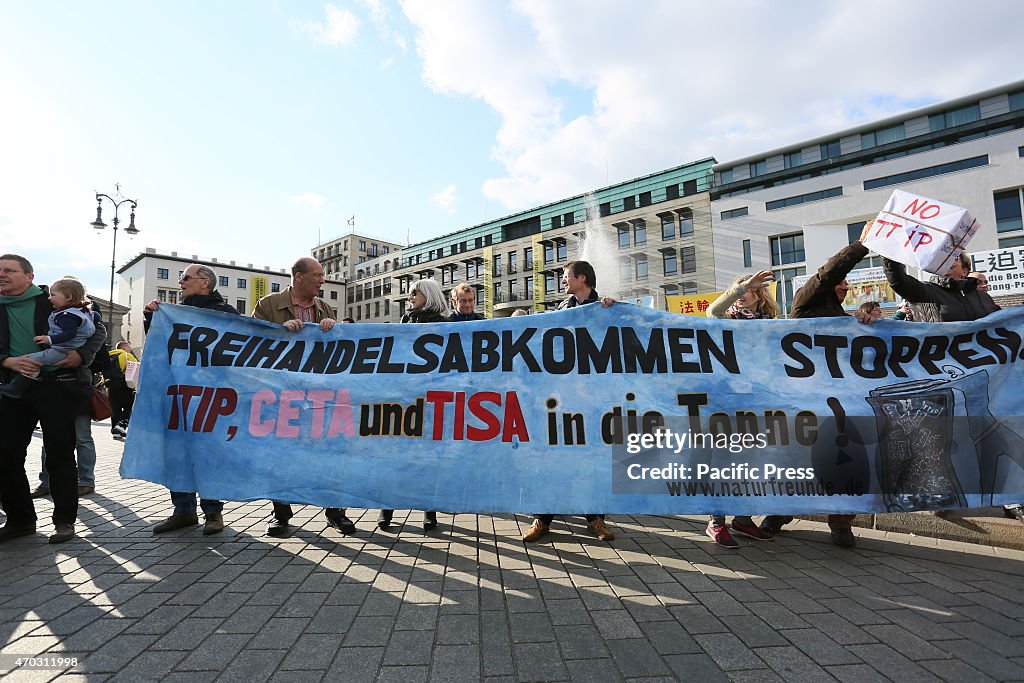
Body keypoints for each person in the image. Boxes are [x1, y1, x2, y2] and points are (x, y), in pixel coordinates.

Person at [761, 231, 877, 548]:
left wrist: (864, 321)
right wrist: (861, 245)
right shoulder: (805, 303)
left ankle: (841, 523)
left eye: (847, 282)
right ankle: (778, 514)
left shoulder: (842, 317)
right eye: (842, 281)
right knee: (795, 460)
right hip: (804, 401)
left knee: (845, 461)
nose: (846, 286)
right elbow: (829, 274)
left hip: (840, 403)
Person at [0, 255, 107, 544]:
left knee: (60, 455)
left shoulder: (53, 299)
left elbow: (97, 329)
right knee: (6, 454)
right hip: (15, 387)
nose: (2, 275)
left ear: (29, 276)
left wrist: (81, 355)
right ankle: (20, 520)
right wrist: (7, 361)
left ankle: (64, 522)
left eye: (9, 270)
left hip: (58, 386)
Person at [254, 257, 356, 537]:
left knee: (329, 453)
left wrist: (331, 327)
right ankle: (280, 515)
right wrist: (280, 332)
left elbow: (335, 349)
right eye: (317, 275)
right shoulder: (268, 305)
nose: (322, 280)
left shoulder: (324, 307)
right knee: (281, 454)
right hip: (282, 394)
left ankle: (335, 512)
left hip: (319, 394)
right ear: (298, 277)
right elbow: (252, 341)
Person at [523, 261, 615, 543]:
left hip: (591, 399)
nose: (563, 281)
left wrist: (616, 310)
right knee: (552, 456)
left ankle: (596, 519)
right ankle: (542, 518)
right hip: (561, 397)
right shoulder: (561, 311)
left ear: (582, 278)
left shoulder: (606, 308)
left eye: (566, 277)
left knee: (590, 458)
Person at [144, 264, 237, 536]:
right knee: (177, 453)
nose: (180, 282)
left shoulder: (224, 313)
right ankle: (183, 511)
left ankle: (212, 513)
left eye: (185, 277)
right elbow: (160, 345)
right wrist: (152, 317)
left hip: (212, 395)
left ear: (205, 282)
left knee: (206, 454)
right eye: (180, 277)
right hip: (178, 394)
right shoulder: (173, 313)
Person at [703, 270, 778, 548]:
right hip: (726, 404)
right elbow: (712, 311)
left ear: (759, 294)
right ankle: (716, 521)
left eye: (747, 289)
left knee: (750, 464)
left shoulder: (769, 324)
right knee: (722, 463)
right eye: (739, 288)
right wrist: (737, 289)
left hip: (756, 403)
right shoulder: (728, 319)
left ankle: (743, 519)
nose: (743, 292)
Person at [377, 278, 447, 532]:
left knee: (427, 459)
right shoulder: (406, 321)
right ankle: (388, 507)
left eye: (414, 293)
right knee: (396, 456)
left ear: (428, 295)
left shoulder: (444, 324)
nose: (410, 297)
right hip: (404, 398)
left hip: (430, 400)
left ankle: (429, 511)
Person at [0, 278, 95, 399]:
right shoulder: (82, 311)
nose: (49, 298)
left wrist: (50, 339)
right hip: (63, 355)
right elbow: (93, 325)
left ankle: (17, 387)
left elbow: (69, 334)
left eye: (53, 295)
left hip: (61, 355)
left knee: (31, 360)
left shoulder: (65, 314)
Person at [882, 253, 999, 323]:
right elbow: (897, 279)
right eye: (943, 258)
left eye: (954, 257)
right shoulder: (925, 291)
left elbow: (1005, 322)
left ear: (965, 270)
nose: (948, 261)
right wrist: (889, 247)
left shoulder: (984, 297)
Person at [107, 340, 138, 440]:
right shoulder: (126, 355)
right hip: (124, 386)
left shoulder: (108, 356)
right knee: (131, 406)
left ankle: (116, 432)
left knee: (115, 410)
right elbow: (136, 369)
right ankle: (121, 426)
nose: (130, 349)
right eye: (129, 347)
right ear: (124, 348)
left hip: (111, 387)